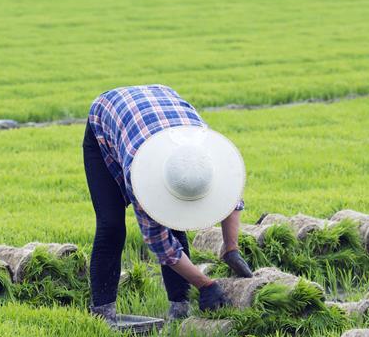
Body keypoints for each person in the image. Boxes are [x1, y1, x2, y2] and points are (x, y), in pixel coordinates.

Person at [83, 84, 253, 322]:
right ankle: (103, 315)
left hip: (163, 107)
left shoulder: (212, 158)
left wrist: (231, 248)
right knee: (111, 226)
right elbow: (161, 244)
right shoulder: (141, 174)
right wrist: (205, 285)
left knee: (175, 220)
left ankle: (179, 310)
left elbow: (231, 200)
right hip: (108, 116)